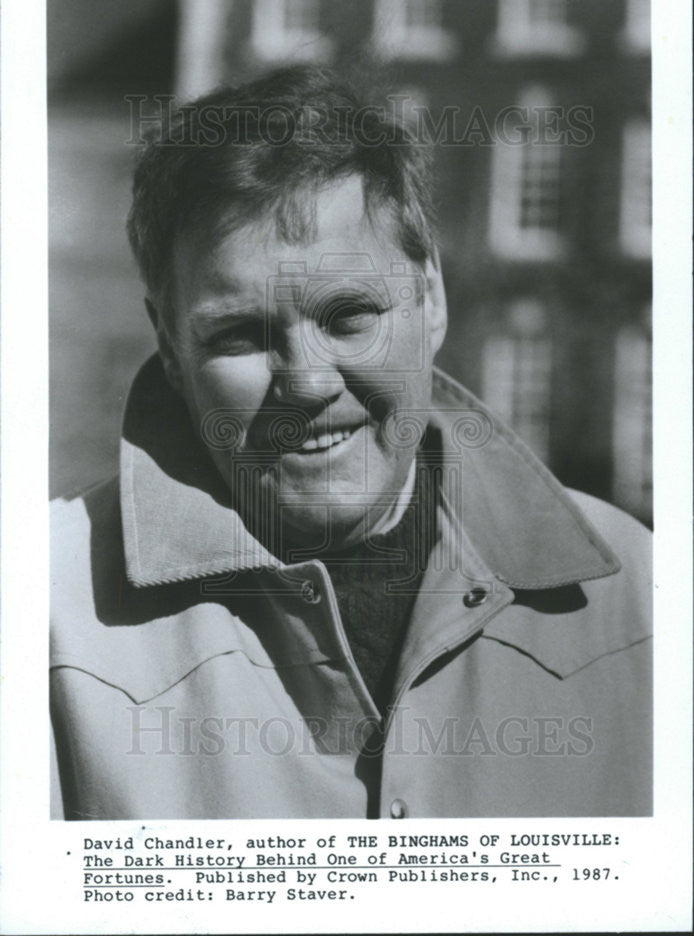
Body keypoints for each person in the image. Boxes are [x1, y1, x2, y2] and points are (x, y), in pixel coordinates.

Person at [50, 64, 652, 820]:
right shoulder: (44, 615)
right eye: (241, 334)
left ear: (429, 297)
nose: (307, 383)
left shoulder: (642, 603)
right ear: (170, 348)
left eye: (348, 318)